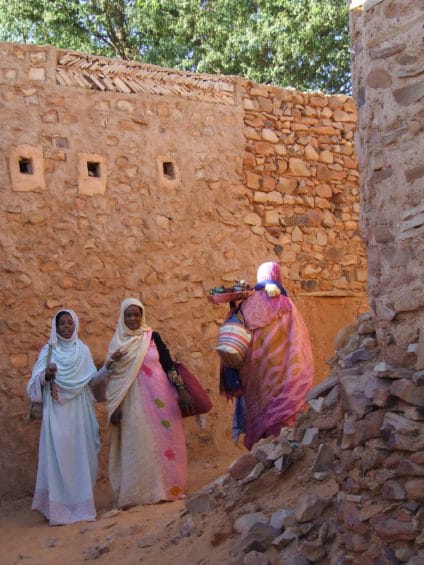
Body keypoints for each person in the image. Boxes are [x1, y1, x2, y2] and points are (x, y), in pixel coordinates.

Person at [27, 309, 120, 526]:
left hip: (80, 414)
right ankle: (57, 510)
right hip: (56, 415)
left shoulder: (83, 351)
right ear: (56, 327)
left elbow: (91, 381)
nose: (66, 326)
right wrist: (45, 376)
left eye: (70, 323)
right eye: (62, 323)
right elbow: (32, 385)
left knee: (82, 457)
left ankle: (81, 507)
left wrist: (108, 367)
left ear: (76, 325)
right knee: (58, 458)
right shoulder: (48, 351)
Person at [104, 297, 192, 509]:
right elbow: (112, 379)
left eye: (136, 314)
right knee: (140, 445)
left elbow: (169, 365)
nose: (133, 318)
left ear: (142, 315)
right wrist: (114, 407)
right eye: (129, 314)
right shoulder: (116, 344)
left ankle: (169, 488)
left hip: (162, 401)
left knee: (167, 443)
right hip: (134, 406)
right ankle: (142, 493)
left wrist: (181, 390)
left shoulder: (152, 337)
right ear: (122, 317)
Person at [227, 261, 314, 450]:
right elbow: (298, 340)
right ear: (277, 276)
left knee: (260, 409)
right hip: (283, 373)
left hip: (256, 374)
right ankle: (284, 451)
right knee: (282, 413)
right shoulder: (285, 304)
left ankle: (261, 452)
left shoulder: (245, 305)